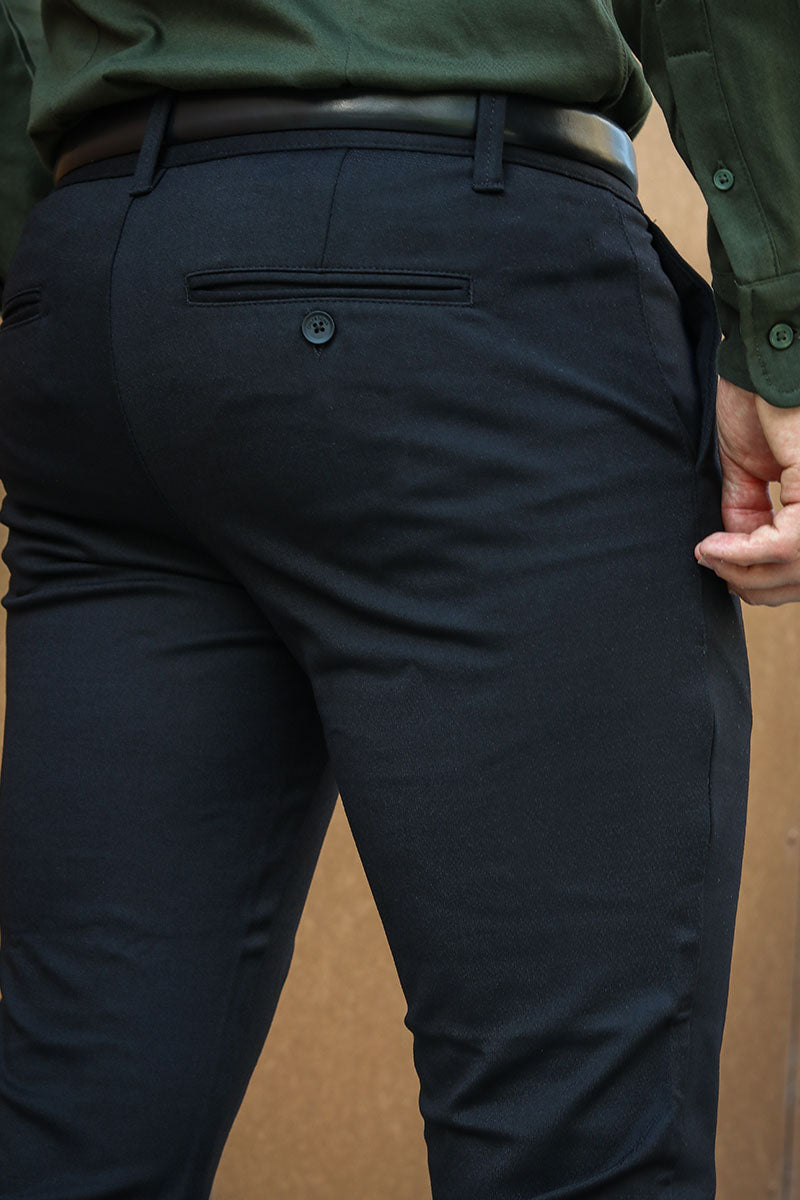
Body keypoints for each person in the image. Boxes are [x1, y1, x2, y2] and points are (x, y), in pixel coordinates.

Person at [0, 2, 797, 1198]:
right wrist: (781, 324)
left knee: (72, 1120)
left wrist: (67, 260)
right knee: (572, 1138)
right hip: (447, 282)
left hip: (94, 290)